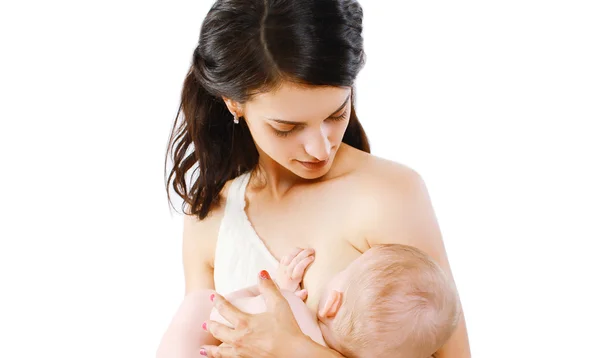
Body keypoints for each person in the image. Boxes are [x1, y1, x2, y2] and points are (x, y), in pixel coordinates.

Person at [160, 0, 471, 356]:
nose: (321, 148)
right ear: (234, 103)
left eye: (337, 113)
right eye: (287, 127)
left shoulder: (387, 196)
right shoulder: (211, 218)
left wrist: (297, 349)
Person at [203, 244, 460, 358]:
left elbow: (219, 314)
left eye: (343, 272)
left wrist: (276, 291)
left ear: (332, 304)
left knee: (197, 302)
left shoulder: (289, 310)